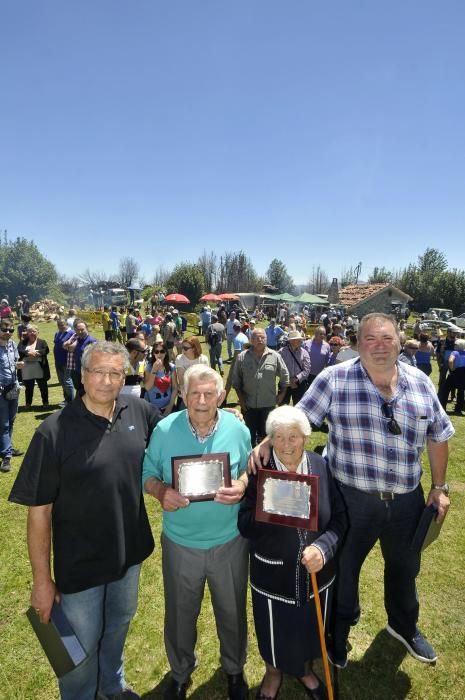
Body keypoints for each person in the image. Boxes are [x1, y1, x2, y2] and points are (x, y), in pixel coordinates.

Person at [252, 313, 454, 667]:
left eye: (386, 338)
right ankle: (339, 634)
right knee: (343, 571)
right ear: (357, 343)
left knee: (405, 568)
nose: (379, 346)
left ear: (399, 341)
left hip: (406, 498)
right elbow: (298, 418)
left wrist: (439, 486)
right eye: (370, 339)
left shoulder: (421, 383)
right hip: (351, 498)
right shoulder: (334, 379)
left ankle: (404, 626)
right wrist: (266, 443)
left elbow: (438, 435)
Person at [8, 341, 161, 700]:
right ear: (83, 375)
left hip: (129, 554)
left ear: (124, 376)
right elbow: (39, 512)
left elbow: (177, 433)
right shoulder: (53, 431)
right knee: (78, 653)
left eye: (115, 373)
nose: (107, 381)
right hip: (80, 567)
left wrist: (218, 415)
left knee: (118, 626)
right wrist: (42, 581)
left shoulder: (137, 410)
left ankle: (112, 686)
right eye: (98, 372)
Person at [142, 365, 251, 700]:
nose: (202, 401)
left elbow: (249, 467)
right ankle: (180, 671)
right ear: (184, 394)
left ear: (220, 395)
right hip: (181, 542)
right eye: (195, 393)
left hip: (229, 540)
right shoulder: (164, 430)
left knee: (232, 611)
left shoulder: (236, 428)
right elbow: (145, 472)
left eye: (209, 394)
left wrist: (243, 485)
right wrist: (161, 491)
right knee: (179, 613)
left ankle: (234, 670)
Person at [238, 406, 347, 700]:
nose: (287, 444)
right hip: (272, 572)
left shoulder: (320, 466)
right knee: (274, 628)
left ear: (306, 437)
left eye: (294, 437)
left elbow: (339, 518)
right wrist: (269, 507)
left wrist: (323, 549)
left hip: (316, 573)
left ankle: (304, 670)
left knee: (311, 626)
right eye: (280, 437)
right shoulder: (260, 471)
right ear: (269, 439)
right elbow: (244, 524)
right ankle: (273, 673)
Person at [232, 328, 289, 446]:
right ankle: (248, 461)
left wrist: (282, 394)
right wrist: (241, 401)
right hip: (248, 406)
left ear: (267, 339)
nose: (260, 340)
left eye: (262, 337)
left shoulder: (275, 356)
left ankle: (266, 462)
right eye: (256, 337)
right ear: (251, 340)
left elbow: (285, 376)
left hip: (268, 405)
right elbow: (236, 381)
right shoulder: (242, 357)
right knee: (248, 437)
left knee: (267, 437)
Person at [0, 318, 24, 473]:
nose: (8, 332)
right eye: (4, 329)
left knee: (11, 420)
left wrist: (18, 365)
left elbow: (14, 362)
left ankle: (6, 446)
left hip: (13, 388)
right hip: (1, 390)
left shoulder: (13, 344)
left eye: (11, 330)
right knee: (4, 424)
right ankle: (6, 457)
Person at [18, 325, 51, 408]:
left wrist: (36, 353)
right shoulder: (23, 342)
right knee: (28, 387)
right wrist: (28, 353)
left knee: (43, 386)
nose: (32, 333)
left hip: (39, 367)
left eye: (34, 331)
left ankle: (45, 402)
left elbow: (46, 350)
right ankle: (28, 404)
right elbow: (19, 350)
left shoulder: (42, 342)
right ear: (27, 333)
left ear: (38, 332)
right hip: (27, 368)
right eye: (30, 331)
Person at [144, 341, 178, 416]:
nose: (159, 354)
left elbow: (175, 387)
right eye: (156, 352)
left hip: (168, 406)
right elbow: (147, 387)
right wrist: (154, 370)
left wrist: (170, 406)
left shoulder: (171, 367)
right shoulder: (149, 367)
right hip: (152, 408)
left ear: (166, 353)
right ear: (153, 353)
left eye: (162, 351)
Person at [63, 319, 96, 393]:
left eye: (82, 329)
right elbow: (66, 347)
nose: (80, 332)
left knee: (85, 392)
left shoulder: (91, 341)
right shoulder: (77, 339)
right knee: (79, 390)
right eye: (78, 330)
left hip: (87, 373)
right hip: (77, 370)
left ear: (86, 328)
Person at [279, 330, 311, 405]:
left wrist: (296, 379)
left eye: (300, 339)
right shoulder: (282, 352)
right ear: (291, 341)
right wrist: (288, 381)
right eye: (298, 339)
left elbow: (307, 369)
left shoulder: (304, 353)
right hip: (284, 383)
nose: (301, 341)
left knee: (299, 407)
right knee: (283, 407)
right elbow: (277, 368)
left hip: (299, 384)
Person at [53, 318, 75, 406]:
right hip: (58, 361)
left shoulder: (72, 333)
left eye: (62, 325)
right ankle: (66, 399)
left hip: (67, 361)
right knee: (62, 381)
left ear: (66, 324)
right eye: (59, 325)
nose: (60, 327)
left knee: (67, 381)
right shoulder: (57, 333)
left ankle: (71, 401)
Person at [447, 338, 465, 416]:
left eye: (455, 344)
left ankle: (443, 406)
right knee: (461, 391)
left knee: (446, 389)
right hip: (463, 372)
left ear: (459, 345)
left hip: (456, 372)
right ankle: (459, 409)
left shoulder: (455, 352)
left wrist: (452, 368)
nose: (454, 345)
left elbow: (450, 361)